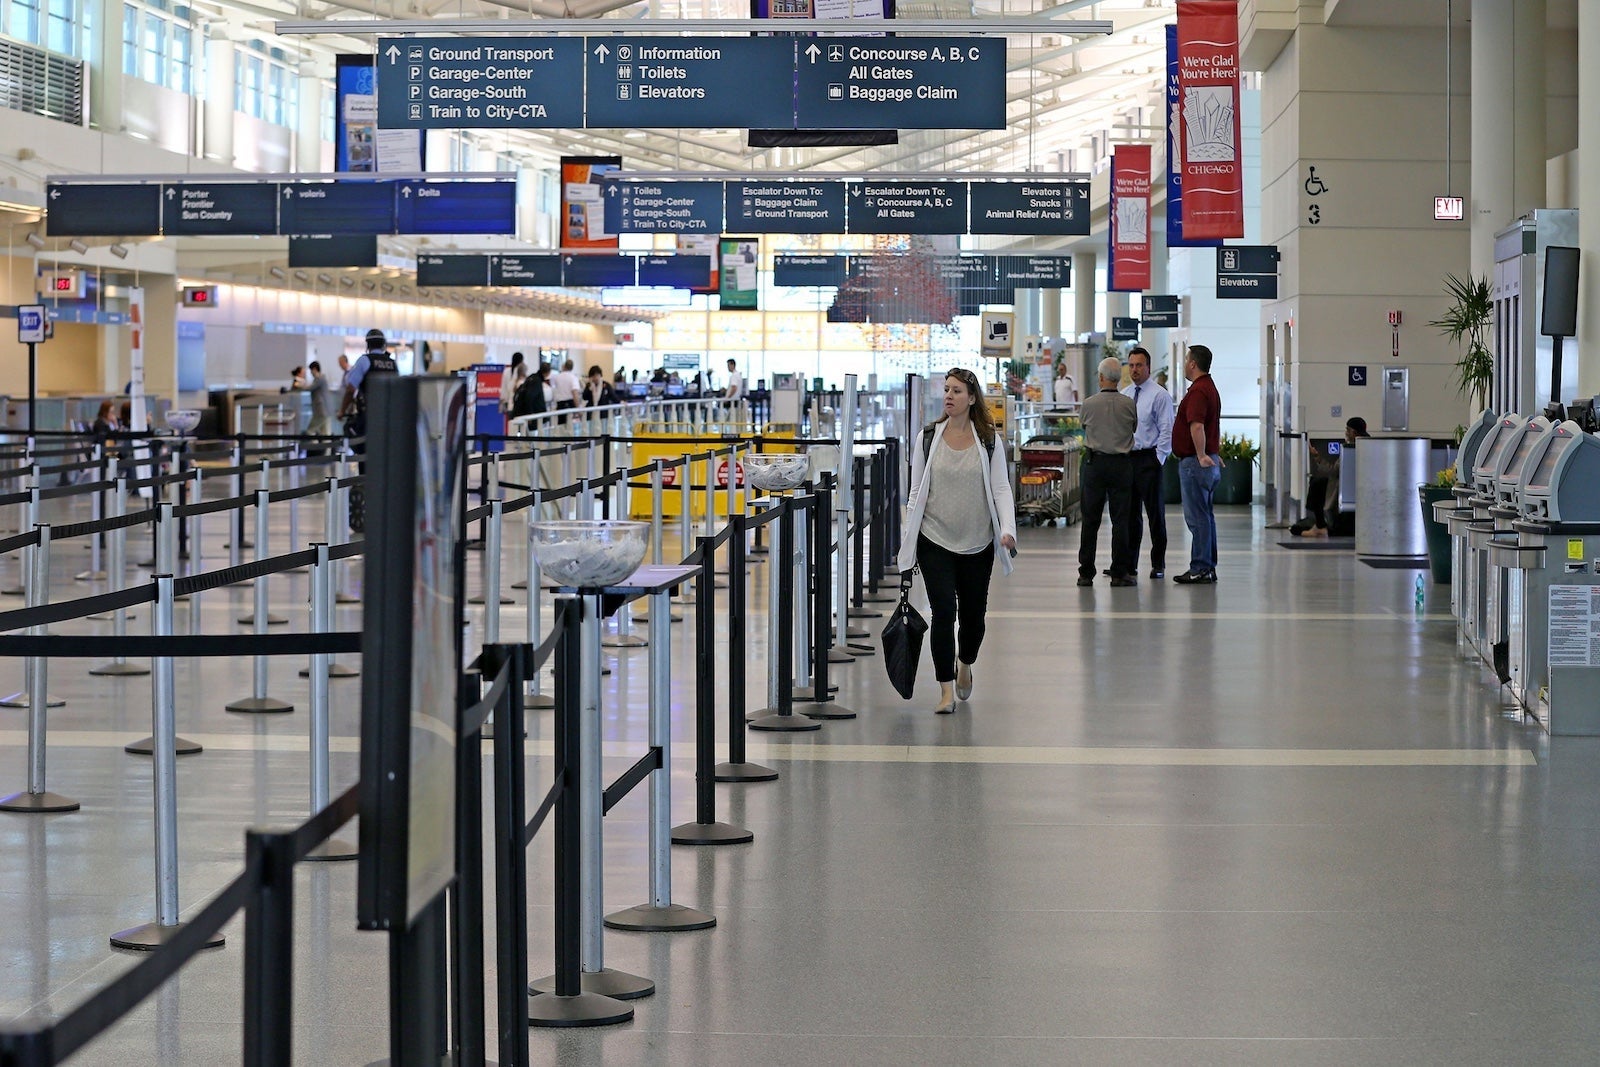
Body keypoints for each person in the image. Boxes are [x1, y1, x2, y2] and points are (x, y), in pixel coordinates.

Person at [898, 367, 1017, 714]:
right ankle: (945, 689)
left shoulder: (989, 440)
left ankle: (965, 662)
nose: (949, 396)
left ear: (972, 398)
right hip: (934, 538)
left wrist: (1007, 529)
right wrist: (909, 538)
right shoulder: (927, 437)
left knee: (974, 617)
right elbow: (916, 491)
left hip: (978, 542)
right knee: (943, 613)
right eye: (947, 390)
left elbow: (1000, 488)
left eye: (957, 391)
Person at [1077, 357, 1139, 587]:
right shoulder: (1129, 403)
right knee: (1121, 520)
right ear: (1119, 378)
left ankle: (1085, 572)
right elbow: (1134, 427)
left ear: (1101, 377)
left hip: (1095, 465)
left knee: (1090, 520)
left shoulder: (1088, 404)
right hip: (1122, 466)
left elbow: (1084, 425)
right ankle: (1119, 572)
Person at [1172, 344, 1223, 585]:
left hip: (1196, 463)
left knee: (1197, 518)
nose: (1184, 364)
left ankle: (1200, 567)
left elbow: (1197, 425)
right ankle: (1208, 566)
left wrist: (1202, 454)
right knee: (1206, 516)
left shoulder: (1198, 392)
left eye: (1186, 360)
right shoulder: (1210, 389)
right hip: (1207, 461)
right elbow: (1213, 425)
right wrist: (1213, 452)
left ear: (1193, 363)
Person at [1123, 346, 1175, 578]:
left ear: (1148, 367)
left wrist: (1159, 458)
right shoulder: (1124, 394)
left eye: (1139, 365)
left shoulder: (1159, 395)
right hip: (1128, 458)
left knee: (1155, 515)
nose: (1135, 369)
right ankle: (1130, 563)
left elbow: (1167, 429)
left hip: (1149, 458)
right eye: (1131, 365)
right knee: (1130, 515)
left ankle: (1158, 564)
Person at [342, 328, 398, 531]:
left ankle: (369, 511)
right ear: (383, 344)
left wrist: (342, 410)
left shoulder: (364, 361)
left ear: (367, 344)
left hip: (369, 420)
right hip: (390, 422)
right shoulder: (392, 363)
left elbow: (351, 388)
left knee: (366, 462)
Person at [1290, 416, 1370, 537]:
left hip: (1345, 489)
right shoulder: (1368, 445)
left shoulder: (1350, 449)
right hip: (1353, 488)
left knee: (1317, 483)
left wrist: (1317, 458)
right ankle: (1319, 524)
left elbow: (1333, 471)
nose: (1346, 433)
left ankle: (1320, 524)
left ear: (1354, 432)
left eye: (1347, 430)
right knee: (1319, 482)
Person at [294, 361, 332, 442]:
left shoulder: (319, 378)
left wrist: (299, 385)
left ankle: (315, 449)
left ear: (315, 369)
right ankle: (326, 453)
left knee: (310, 430)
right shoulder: (321, 378)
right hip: (325, 411)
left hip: (321, 411)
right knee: (325, 434)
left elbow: (310, 388)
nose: (311, 372)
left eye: (311, 370)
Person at [500, 352, 529, 418]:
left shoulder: (506, 371)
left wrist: (504, 401)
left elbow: (504, 389)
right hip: (520, 405)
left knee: (511, 424)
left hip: (510, 404)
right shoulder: (521, 371)